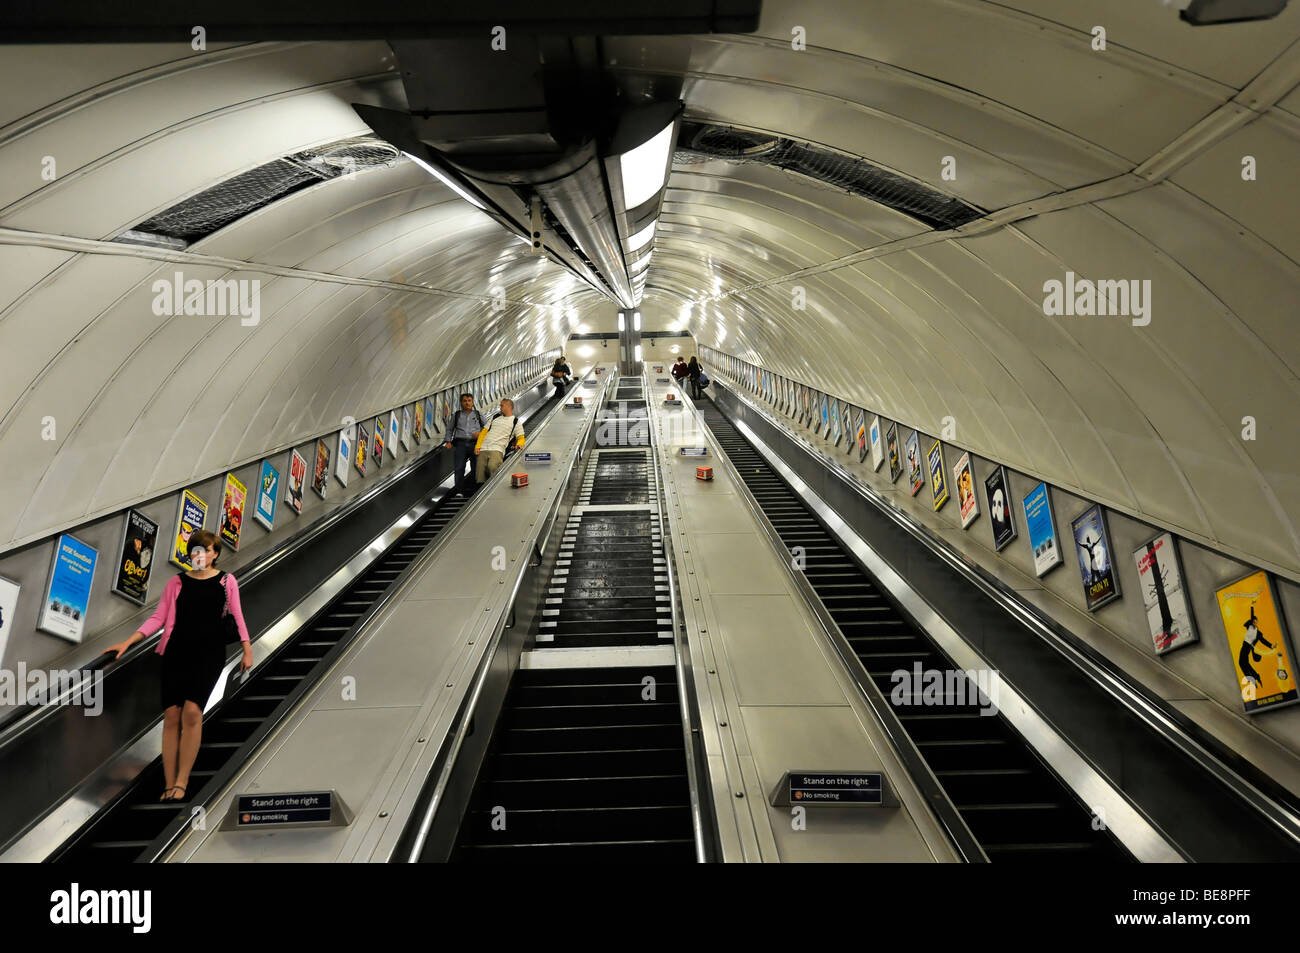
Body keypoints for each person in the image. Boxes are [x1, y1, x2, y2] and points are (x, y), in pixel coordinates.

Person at [103, 530, 252, 802]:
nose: (200, 555)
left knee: (192, 712)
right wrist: (129, 641)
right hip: (176, 653)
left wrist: (247, 648)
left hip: (209, 654)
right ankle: (168, 784)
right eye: (195, 550)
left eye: (206, 550)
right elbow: (158, 617)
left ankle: (182, 781)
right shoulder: (176, 583)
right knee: (172, 715)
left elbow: (238, 615)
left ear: (215, 554)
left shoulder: (226, 581)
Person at [444, 393, 487, 495]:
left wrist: (480, 434)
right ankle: (459, 490)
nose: (467, 403)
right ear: (461, 403)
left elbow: (487, 428)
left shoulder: (478, 414)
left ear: (472, 403)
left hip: (475, 444)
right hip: (460, 444)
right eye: (464, 401)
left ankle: (475, 489)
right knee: (459, 467)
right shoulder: (457, 415)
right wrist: (448, 441)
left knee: (476, 467)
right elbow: (449, 429)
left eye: (469, 401)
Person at [475, 398, 527, 484]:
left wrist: (520, 444)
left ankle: (493, 489)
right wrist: (478, 446)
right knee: (480, 474)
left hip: (497, 449)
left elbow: (521, 437)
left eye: (502, 405)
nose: (500, 408)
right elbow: (483, 432)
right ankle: (480, 492)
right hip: (483, 448)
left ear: (509, 406)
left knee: (493, 467)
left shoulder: (515, 421)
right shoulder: (495, 417)